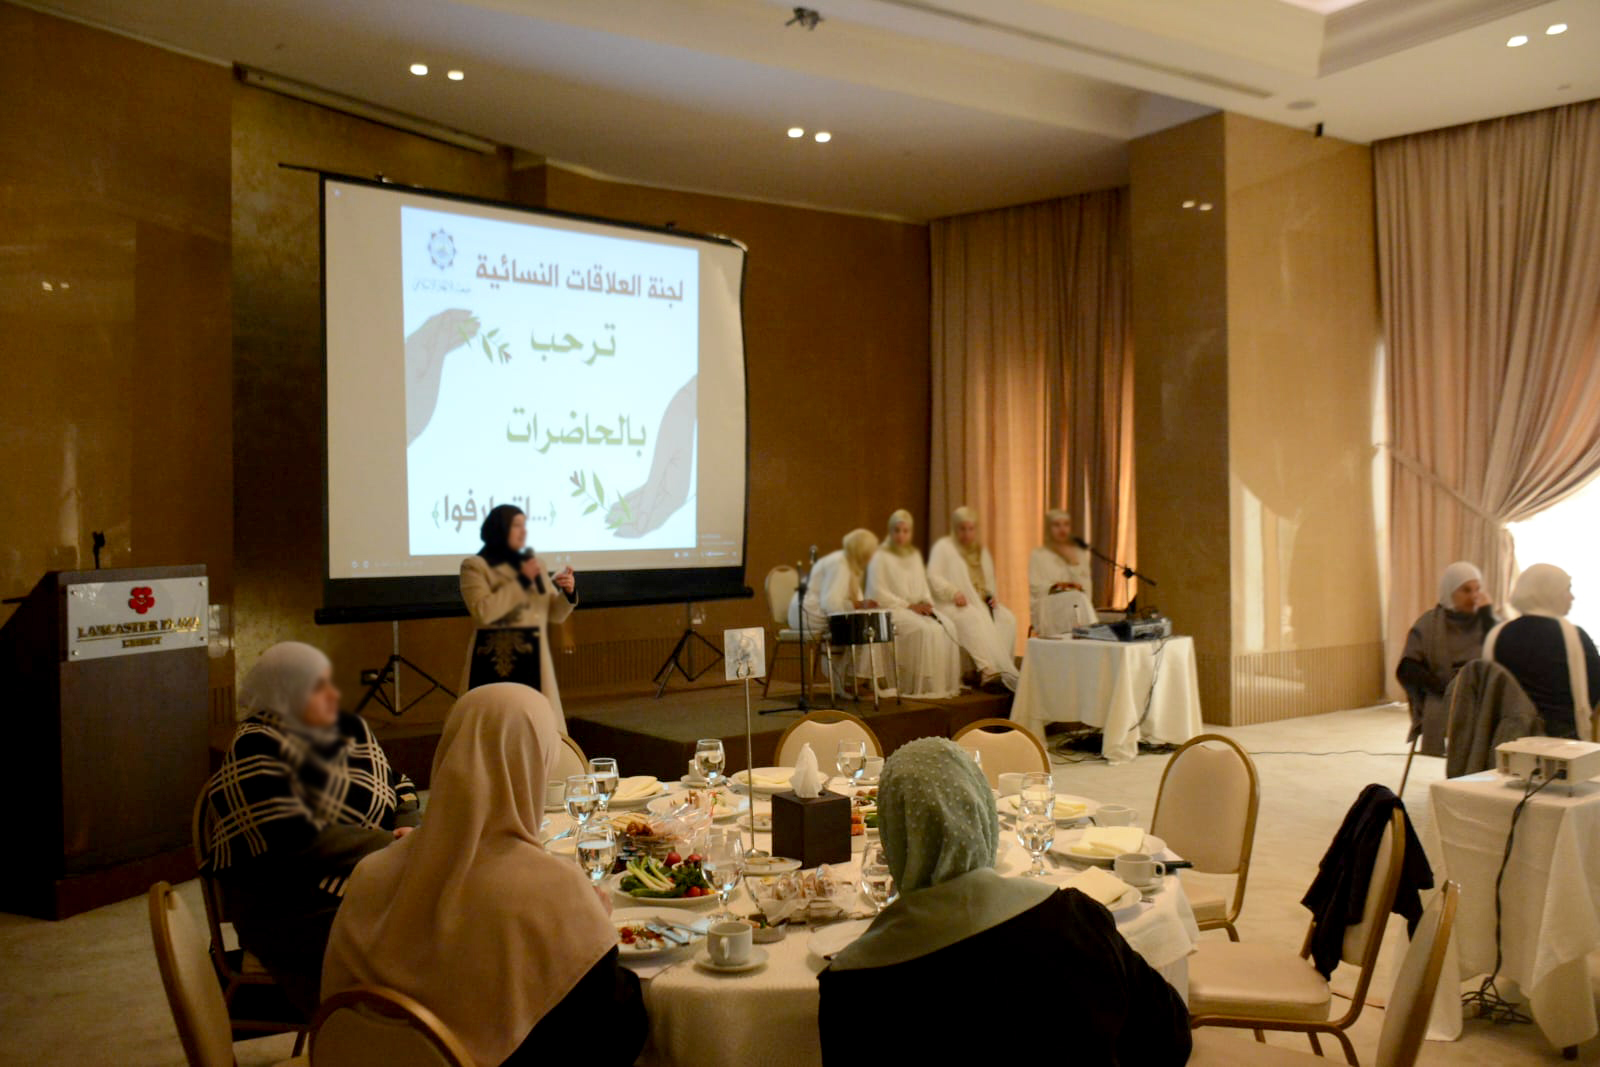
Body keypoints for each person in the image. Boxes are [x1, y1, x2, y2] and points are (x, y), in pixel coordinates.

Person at [323, 684, 647, 1067]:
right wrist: (591, 927)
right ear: (534, 768)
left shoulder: (371, 872)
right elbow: (611, 1033)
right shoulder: (553, 890)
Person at [818, 738, 1191, 1064]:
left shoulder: (853, 985)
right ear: (982, 816)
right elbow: (1169, 1040)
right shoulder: (1074, 918)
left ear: (893, 836)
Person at [200, 642, 420, 1016]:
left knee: (439, 910)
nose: (332, 695)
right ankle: (383, 1027)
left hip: (364, 874)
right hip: (289, 900)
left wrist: (409, 829)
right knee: (420, 931)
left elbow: (399, 784)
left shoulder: (349, 731)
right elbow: (296, 838)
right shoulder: (255, 744)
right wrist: (392, 846)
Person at [460, 503, 578, 731]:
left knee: (539, 728)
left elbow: (554, 613)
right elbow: (483, 613)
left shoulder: (534, 564)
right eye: (517, 525)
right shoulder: (474, 566)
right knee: (493, 728)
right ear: (500, 528)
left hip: (533, 657)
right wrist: (521, 581)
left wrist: (567, 592)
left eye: (525, 525)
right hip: (493, 658)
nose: (524, 531)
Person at [1485, 563, 1600, 740]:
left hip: (1508, 738)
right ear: (1550, 592)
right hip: (1564, 741)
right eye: (1567, 589)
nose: (1572, 597)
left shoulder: (1496, 635)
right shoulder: (1573, 636)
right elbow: (1595, 686)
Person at [1396, 561, 1497, 756]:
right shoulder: (1429, 623)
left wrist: (1487, 616)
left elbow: (1502, 653)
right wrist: (1449, 689)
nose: (1474, 596)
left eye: (1477, 590)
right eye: (1466, 590)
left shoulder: (1486, 621)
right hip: (1443, 693)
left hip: (1484, 691)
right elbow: (1407, 669)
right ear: (1449, 592)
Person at [866, 510, 961, 698]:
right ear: (890, 531)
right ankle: (913, 683)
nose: (901, 535)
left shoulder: (914, 556)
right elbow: (878, 593)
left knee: (947, 626)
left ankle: (934, 683)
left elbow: (923, 586)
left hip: (914, 608)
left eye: (905, 531)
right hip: (891, 609)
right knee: (923, 630)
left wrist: (926, 602)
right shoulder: (880, 557)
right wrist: (908, 606)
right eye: (897, 530)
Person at [927, 506, 1019, 691]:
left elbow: (988, 582)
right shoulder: (943, 548)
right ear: (955, 528)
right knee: (971, 617)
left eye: (970, 529)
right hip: (950, 604)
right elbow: (933, 577)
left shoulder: (981, 551)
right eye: (962, 529)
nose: (967, 534)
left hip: (979, 603)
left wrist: (991, 597)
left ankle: (1001, 670)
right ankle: (986, 670)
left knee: (1008, 619)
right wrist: (953, 592)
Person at [1028, 509, 1094, 630]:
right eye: (1057, 525)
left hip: (1075, 603)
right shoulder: (1039, 555)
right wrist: (1057, 586)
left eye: (1066, 524)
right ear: (1048, 528)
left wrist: (1073, 562)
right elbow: (1035, 587)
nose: (1062, 529)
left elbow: (1086, 586)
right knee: (1074, 598)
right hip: (1048, 605)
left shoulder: (1078, 554)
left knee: (1077, 598)